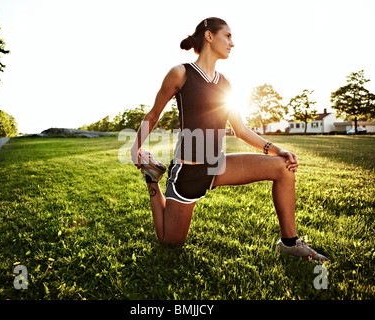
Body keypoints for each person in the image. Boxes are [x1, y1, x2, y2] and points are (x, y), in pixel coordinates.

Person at [131, 17, 328, 261]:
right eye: (227, 36)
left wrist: (278, 150)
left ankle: (289, 243)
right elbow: (154, 113)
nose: (232, 43)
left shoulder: (225, 83)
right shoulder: (180, 73)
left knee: (283, 168)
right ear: (209, 36)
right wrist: (135, 148)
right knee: (170, 242)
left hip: (218, 166)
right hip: (188, 173)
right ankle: (153, 179)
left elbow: (241, 129)